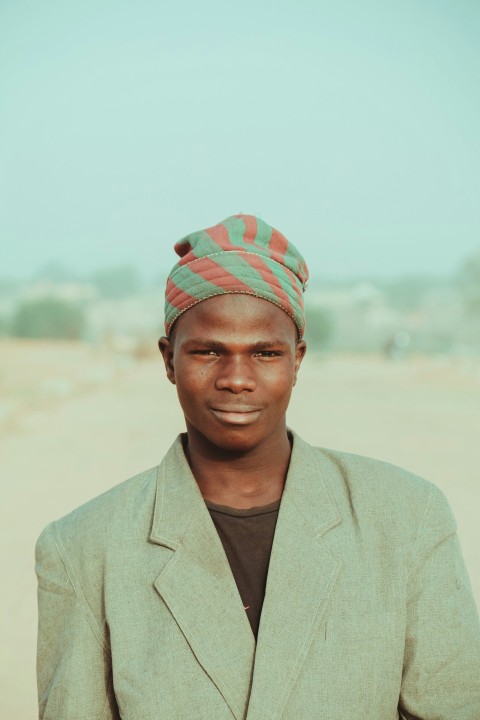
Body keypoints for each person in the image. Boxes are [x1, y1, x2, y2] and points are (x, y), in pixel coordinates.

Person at [36, 214, 480, 720]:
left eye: (266, 353)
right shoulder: (84, 548)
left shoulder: (406, 519)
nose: (237, 379)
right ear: (167, 360)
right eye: (208, 351)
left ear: (297, 360)